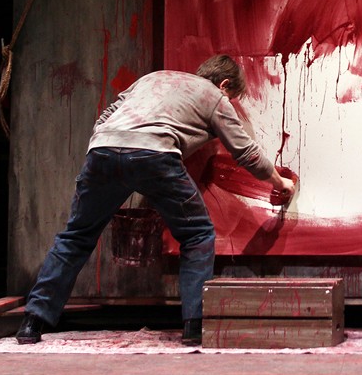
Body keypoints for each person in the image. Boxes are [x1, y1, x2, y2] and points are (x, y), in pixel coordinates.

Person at [16, 54, 295, 347]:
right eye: (232, 98)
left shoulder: (153, 79)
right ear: (224, 84)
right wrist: (280, 182)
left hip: (103, 150)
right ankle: (194, 326)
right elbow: (246, 152)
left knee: (76, 236)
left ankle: (33, 322)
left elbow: (108, 114)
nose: (229, 103)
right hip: (154, 156)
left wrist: (107, 142)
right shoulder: (214, 96)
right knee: (197, 234)